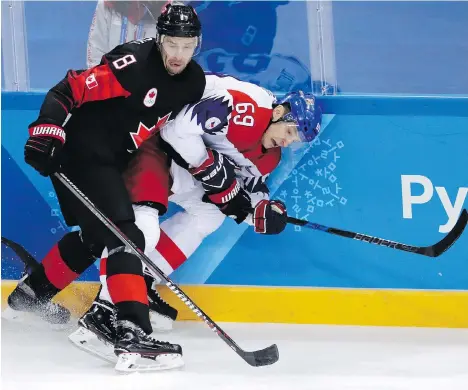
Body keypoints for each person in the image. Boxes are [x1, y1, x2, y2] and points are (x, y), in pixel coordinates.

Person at [68, 73, 323, 368]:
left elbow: (242, 189)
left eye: (296, 140)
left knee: (210, 215)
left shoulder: (271, 156)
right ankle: (105, 313)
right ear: (279, 112)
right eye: (290, 132)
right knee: (143, 232)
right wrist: (209, 168)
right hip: (150, 145)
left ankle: (139, 285)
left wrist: (260, 212)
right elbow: (176, 131)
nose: (288, 142)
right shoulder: (245, 105)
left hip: (180, 167)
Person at [5, 3, 205, 373]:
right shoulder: (134, 64)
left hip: (106, 159)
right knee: (125, 236)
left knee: (98, 237)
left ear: (197, 45)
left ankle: (30, 297)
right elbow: (70, 87)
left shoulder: (193, 82)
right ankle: (131, 330)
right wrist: (47, 129)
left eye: (187, 45)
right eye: (172, 43)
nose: (178, 53)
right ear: (160, 38)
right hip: (80, 152)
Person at [87, 1, 167, 68]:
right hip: (111, 81)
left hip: (150, 83)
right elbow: (96, 52)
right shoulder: (107, 5)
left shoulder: (168, 10)